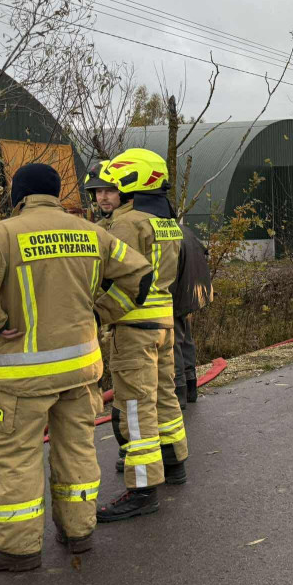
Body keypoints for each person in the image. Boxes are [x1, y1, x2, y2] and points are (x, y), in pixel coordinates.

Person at [0, 164, 152, 571]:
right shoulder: (91, 232)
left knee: (16, 459)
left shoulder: (4, 234)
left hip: (19, 378)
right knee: (79, 451)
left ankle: (18, 551)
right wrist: (102, 312)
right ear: (55, 193)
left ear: (19, 196)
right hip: (82, 370)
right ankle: (79, 533)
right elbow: (140, 275)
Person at [94, 149, 188, 522]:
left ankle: (143, 489)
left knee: (135, 407)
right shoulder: (166, 220)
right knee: (165, 398)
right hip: (164, 324)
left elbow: (126, 279)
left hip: (133, 325)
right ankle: (174, 464)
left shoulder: (127, 223)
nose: (106, 194)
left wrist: (96, 312)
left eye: (113, 186)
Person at [170, 224, 212, 409]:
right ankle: (190, 387)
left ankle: (179, 393)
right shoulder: (183, 230)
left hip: (177, 295)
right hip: (191, 293)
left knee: (174, 343)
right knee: (186, 339)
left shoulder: (164, 233)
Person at [83, 161, 118, 226]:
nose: (103, 197)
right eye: (99, 191)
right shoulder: (101, 226)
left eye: (109, 191)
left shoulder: (128, 223)